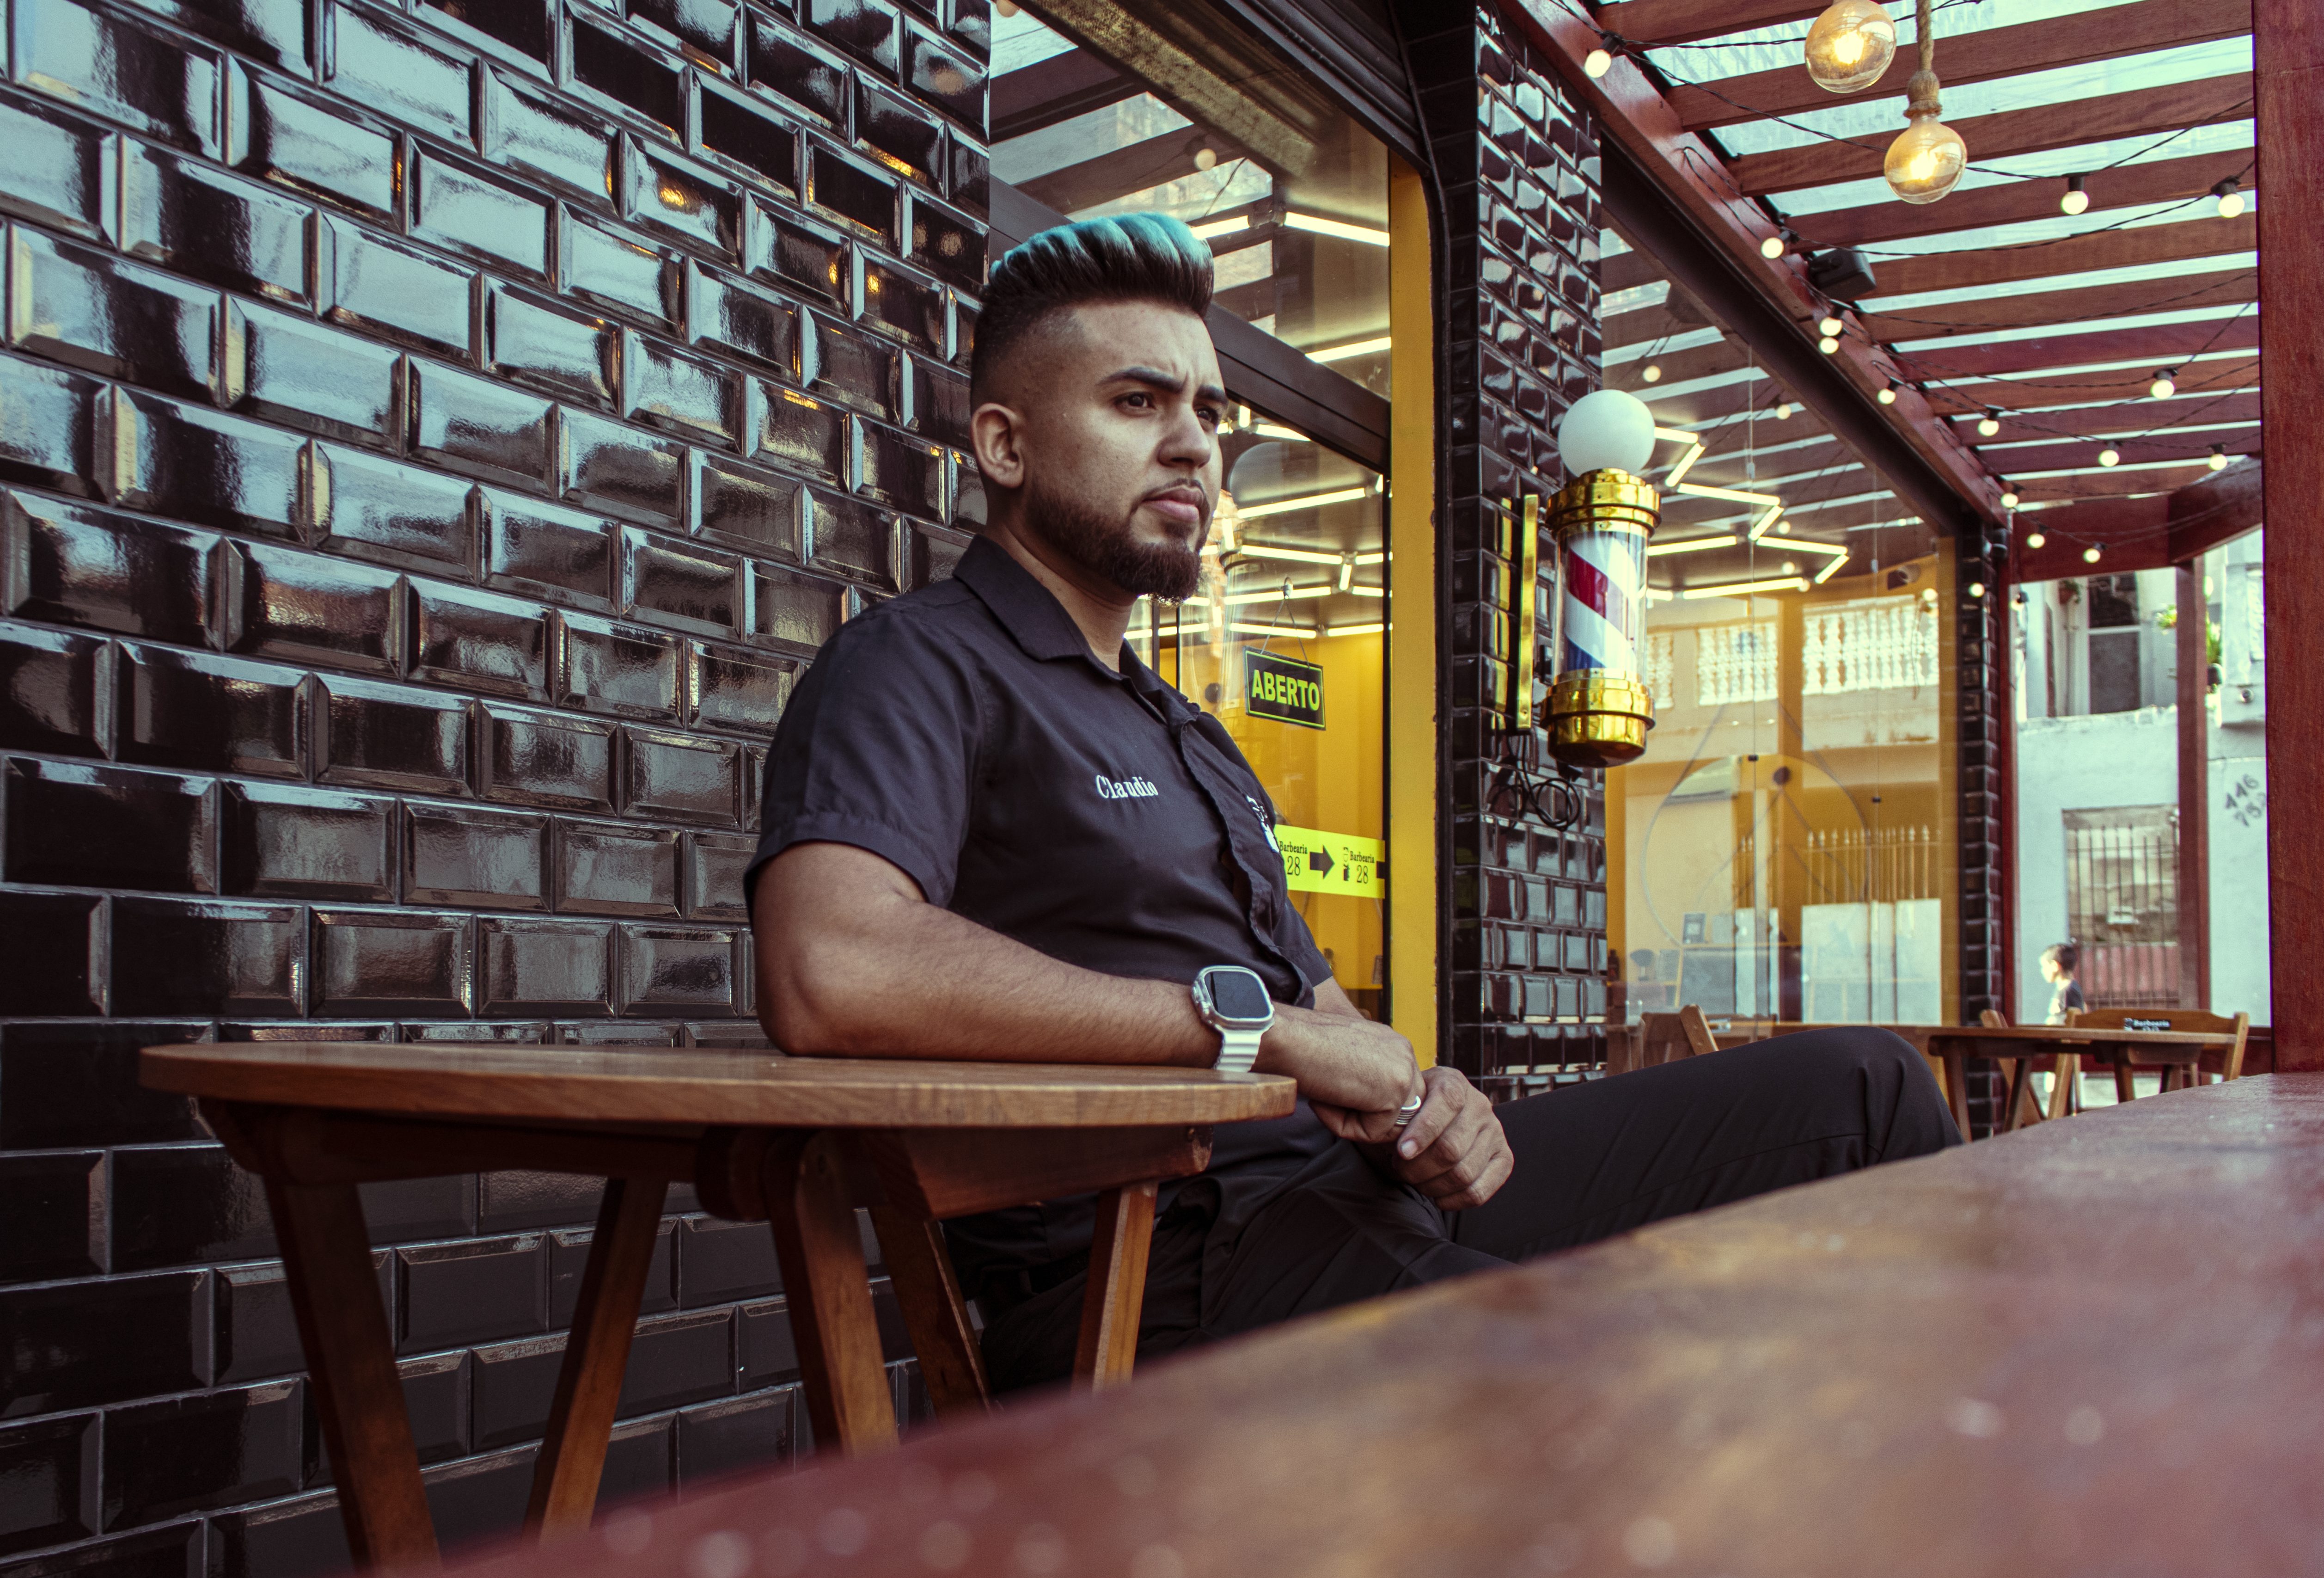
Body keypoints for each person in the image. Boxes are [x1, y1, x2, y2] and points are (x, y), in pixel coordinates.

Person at [745, 213, 1961, 1395]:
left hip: (1352, 1191)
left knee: (1868, 1087)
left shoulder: (1191, 732)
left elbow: (1325, 1015)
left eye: (1208, 414)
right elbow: (831, 965)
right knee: (1621, 1361)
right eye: (1137, 402)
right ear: (1005, 445)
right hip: (1160, 1260)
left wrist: (1433, 1100)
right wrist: (1254, 1033)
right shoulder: (920, 663)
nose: (1194, 448)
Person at [2040, 941, 2085, 1025]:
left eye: (2044, 967)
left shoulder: (2070, 990)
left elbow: (2077, 1019)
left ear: (2055, 966)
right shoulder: (2062, 988)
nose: (2042, 971)